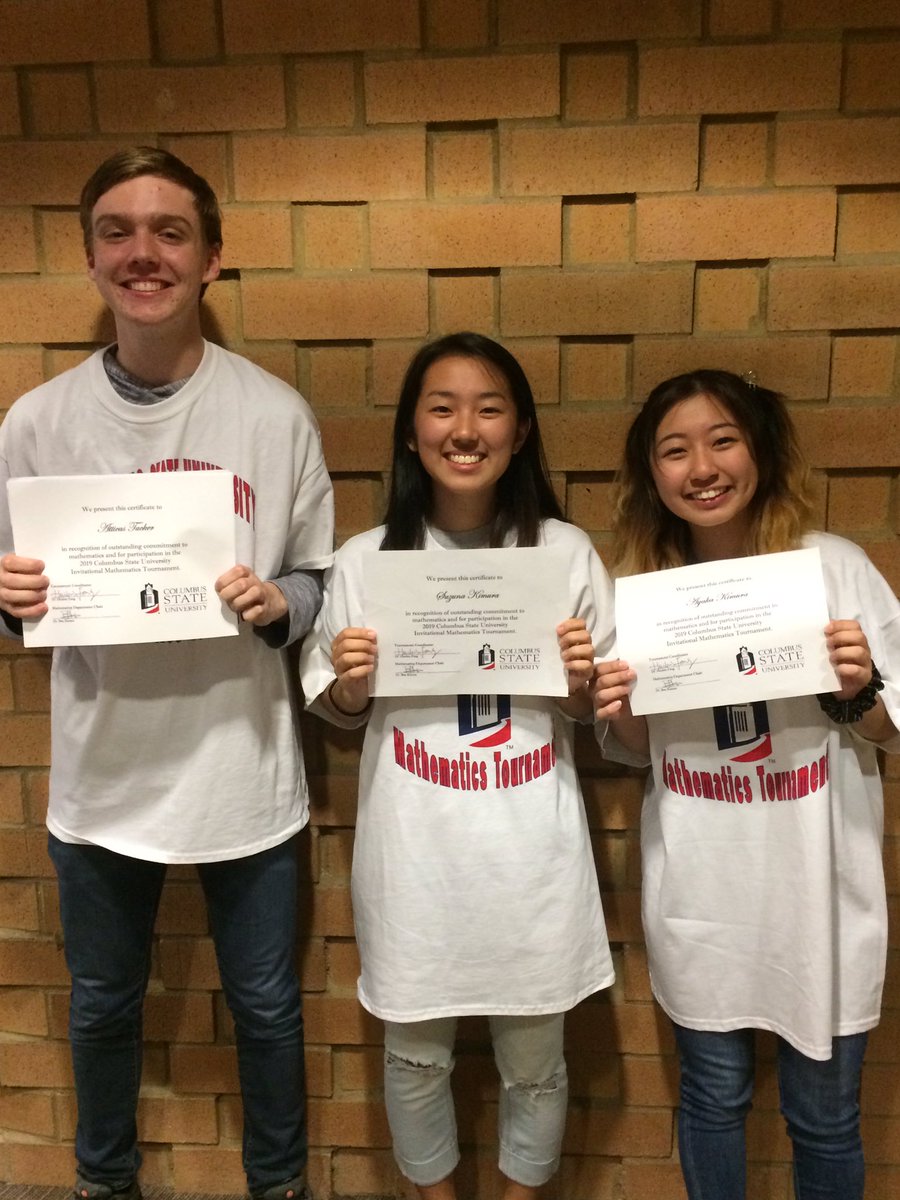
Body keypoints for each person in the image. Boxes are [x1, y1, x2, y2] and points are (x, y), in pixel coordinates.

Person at [0, 148, 334, 1200]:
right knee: (103, 1005)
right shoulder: (35, 423)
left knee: (269, 1006)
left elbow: (320, 576)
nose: (142, 251)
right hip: (103, 785)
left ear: (212, 258)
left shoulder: (274, 414)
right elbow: (16, 612)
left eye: (170, 231)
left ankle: (276, 1185)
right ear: (91, 258)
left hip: (245, 775)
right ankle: (107, 1185)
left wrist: (284, 605)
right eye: (117, 231)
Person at [299, 332, 615, 1200]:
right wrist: (357, 685)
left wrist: (587, 684)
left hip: (530, 856)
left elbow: (604, 715)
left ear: (520, 431)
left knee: (538, 1068)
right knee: (412, 1059)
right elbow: (334, 706)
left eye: (488, 408)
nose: (464, 428)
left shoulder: (564, 552)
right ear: (410, 432)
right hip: (417, 860)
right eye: (441, 407)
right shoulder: (366, 561)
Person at [594, 369, 900, 1200]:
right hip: (706, 892)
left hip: (821, 896)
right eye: (675, 449)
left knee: (827, 1116)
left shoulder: (830, 567)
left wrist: (858, 689)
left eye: (722, 440)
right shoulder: (644, 597)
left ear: (759, 450)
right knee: (713, 1099)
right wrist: (618, 708)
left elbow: (891, 729)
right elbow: (636, 750)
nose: (702, 466)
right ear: (651, 474)